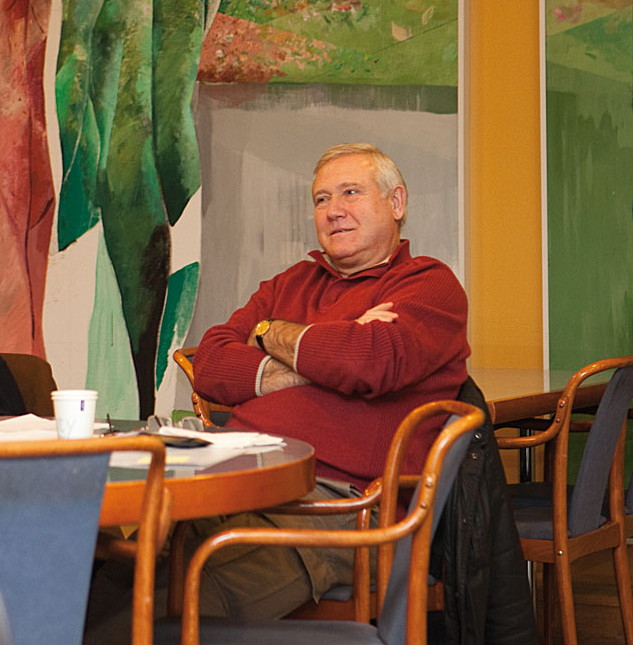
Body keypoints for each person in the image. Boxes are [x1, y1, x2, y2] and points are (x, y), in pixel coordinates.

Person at [183, 142, 469, 619]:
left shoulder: (428, 285)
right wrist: (314, 346)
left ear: (396, 202)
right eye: (321, 198)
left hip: (341, 507)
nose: (333, 210)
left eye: (351, 192)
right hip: (231, 483)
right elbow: (209, 364)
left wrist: (266, 335)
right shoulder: (290, 283)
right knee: (108, 565)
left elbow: (367, 362)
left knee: (181, 600)